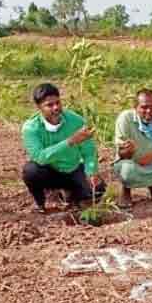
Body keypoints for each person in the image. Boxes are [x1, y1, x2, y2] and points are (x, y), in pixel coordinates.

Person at [22, 83, 105, 213]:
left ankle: (69, 194)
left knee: (98, 189)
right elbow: (40, 157)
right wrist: (70, 141)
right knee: (31, 171)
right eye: (49, 105)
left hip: (73, 169)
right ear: (39, 107)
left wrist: (91, 172)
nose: (56, 107)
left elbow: (89, 151)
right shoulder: (31, 128)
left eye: (58, 102)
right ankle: (41, 202)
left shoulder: (76, 121)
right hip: (49, 172)